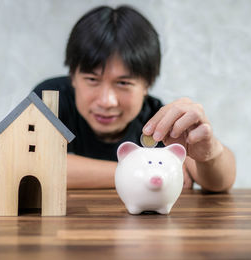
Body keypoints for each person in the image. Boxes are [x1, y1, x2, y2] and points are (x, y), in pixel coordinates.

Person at [33, 5, 236, 192]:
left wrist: (210, 152)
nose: (107, 101)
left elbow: (221, 183)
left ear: (147, 85)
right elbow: (34, 164)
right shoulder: (51, 97)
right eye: (92, 79)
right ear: (73, 77)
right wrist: (141, 172)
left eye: (123, 83)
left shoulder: (159, 121)